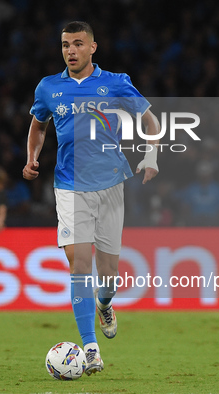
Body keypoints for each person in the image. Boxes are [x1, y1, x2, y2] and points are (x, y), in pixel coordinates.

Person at [22, 21, 160, 375]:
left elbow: (150, 121)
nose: (71, 50)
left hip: (111, 184)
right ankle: (91, 348)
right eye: (66, 44)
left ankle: (105, 304)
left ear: (92, 48)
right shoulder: (49, 87)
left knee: (109, 274)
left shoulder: (115, 82)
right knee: (79, 264)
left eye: (78, 44)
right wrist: (32, 156)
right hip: (69, 186)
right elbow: (39, 126)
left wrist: (151, 156)